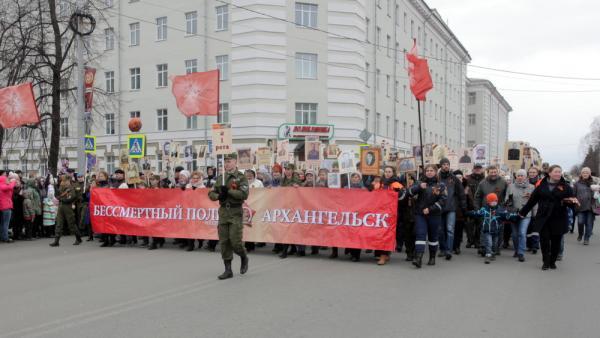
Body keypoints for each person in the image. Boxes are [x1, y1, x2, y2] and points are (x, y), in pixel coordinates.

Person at [519, 165, 577, 270]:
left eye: (559, 172)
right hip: (543, 217)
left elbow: (572, 202)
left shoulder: (566, 187)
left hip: (558, 218)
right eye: (556, 172)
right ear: (549, 173)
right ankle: (545, 261)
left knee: (556, 242)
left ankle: (553, 260)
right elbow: (532, 201)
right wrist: (522, 213)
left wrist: (573, 203)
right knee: (544, 241)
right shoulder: (541, 186)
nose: (558, 174)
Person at [208, 153, 250, 280]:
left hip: (235, 212)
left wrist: (229, 191)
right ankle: (228, 269)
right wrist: (218, 196)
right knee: (224, 242)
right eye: (225, 162)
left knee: (235, 241)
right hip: (223, 212)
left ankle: (243, 256)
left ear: (235, 162)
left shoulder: (240, 177)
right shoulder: (221, 177)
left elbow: (244, 194)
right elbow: (211, 193)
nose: (226, 164)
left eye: (229, 161)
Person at [408, 164, 447, 268]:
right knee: (420, 234)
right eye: (427, 170)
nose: (429, 172)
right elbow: (410, 193)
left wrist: (430, 209)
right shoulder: (420, 183)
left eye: (431, 170)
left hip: (434, 215)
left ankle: (432, 257)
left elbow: (443, 200)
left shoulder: (441, 185)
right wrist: (418, 187)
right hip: (420, 214)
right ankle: (418, 258)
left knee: (433, 237)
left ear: (435, 172)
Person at [468, 194, 517, 264]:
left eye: (495, 201)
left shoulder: (500, 209)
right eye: (492, 201)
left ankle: (493, 253)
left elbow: (507, 215)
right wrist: (470, 213)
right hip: (487, 230)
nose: (494, 202)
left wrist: (515, 215)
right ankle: (488, 255)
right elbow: (477, 213)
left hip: (496, 231)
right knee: (489, 243)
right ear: (488, 202)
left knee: (494, 244)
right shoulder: (484, 209)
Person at [437, 158, 467, 260]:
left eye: (447, 164)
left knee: (450, 230)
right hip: (439, 208)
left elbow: (461, 194)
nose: (446, 166)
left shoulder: (454, 179)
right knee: (440, 230)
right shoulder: (437, 178)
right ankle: (442, 249)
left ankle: (449, 251)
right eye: (444, 164)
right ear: (441, 166)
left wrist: (463, 207)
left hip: (451, 208)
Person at [474, 166, 507, 253]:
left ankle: (496, 248)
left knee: (499, 229)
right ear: (488, 172)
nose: (493, 174)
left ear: (497, 172)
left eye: (495, 172)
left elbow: (507, 196)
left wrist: (504, 207)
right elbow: (477, 197)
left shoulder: (503, 182)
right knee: (484, 229)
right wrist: (478, 208)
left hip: (498, 210)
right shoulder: (482, 183)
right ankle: (483, 247)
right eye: (491, 172)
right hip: (486, 210)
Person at [506, 169, 536, 262]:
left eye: (522, 175)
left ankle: (521, 253)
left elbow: (535, 201)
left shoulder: (531, 187)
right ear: (516, 176)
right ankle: (516, 250)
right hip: (514, 213)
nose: (520, 177)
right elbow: (506, 198)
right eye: (518, 175)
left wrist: (534, 213)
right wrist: (509, 201)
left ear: (526, 177)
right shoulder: (510, 186)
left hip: (526, 214)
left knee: (522, 233)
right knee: (515, 235)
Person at [50, 175, 82, 247]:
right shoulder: (61, 188)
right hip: (61, 207)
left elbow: (70, 198)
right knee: (59, 223)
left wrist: (61, 198)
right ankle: (56, 241)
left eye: (65, 181)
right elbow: (57, 196)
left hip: (68, 207)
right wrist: (55, 188)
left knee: (71, 224)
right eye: (62, 181)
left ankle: (78, 238)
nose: (63, 182)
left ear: (68, 180)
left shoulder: (72, 188)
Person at [573, 167, 596, 245]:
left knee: (589, 224)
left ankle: (586, 239)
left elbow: (598, 195)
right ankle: (580, 234)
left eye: (587, 173)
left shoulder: (594, 183)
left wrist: (597, 192)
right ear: (581, 174)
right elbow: (573, 194)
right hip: (580, 206)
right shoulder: (577, 183)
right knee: (580, 222)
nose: (585, 174)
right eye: (583, 173)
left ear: (589, 174)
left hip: (591, 206)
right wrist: (574, 201)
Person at [0, 174, 17, 242]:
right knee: (5, 224)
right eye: (6, 179)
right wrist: (13, 181)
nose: (8, 180)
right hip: (6, 206)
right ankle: (5, 238)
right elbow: (10, 187)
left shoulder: (3, 185)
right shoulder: (2, 185)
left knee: (3, 223)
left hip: (4, 206)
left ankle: (3, 236)